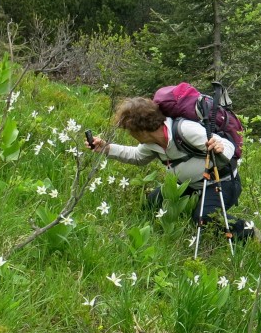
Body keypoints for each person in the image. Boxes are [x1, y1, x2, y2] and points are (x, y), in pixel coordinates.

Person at [87, 96, 244, 233]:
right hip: (189, 185)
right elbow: (137, 157)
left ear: (142, 129)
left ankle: (247, 231)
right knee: (152, 203)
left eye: (131, 130)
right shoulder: (152, 142)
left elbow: (225, 144)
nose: (131, 134)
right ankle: (164, 230)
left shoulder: (185, 130)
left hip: (221, 182)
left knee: (204, 218)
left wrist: (220, 148)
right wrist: (106, 148)